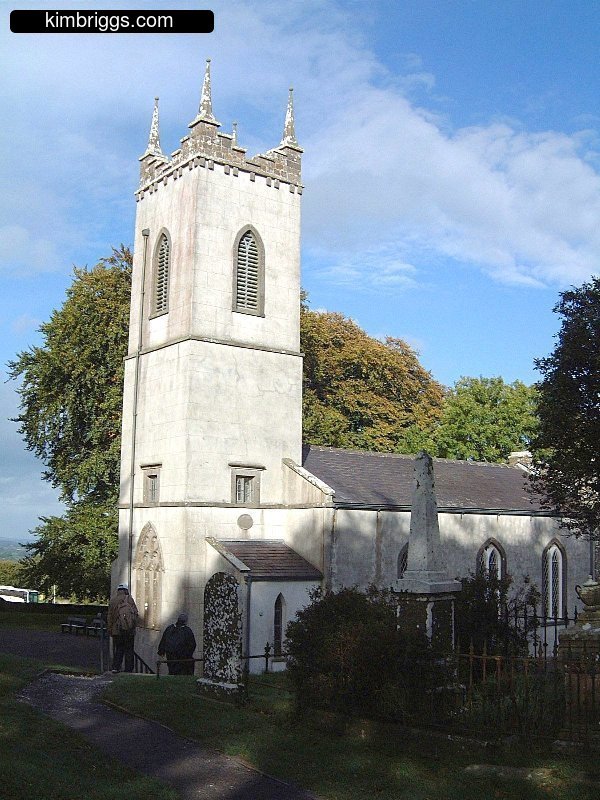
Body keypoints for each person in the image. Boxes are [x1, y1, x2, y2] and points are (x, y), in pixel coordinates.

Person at [107, 583, 139, 673]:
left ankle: (116, 667)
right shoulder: (129, 599)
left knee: (119, 649)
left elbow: (109, 617)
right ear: (126, 590)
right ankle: (128, 669)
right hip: (129, 630)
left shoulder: (113, 601)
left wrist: (110, 629)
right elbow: (135, 614)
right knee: (129, 650)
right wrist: (133, 625)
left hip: (117, 630)